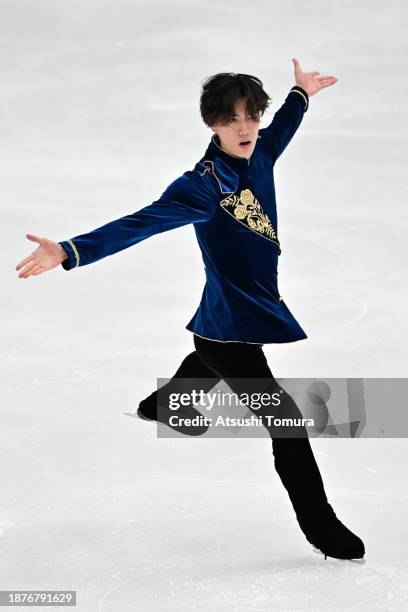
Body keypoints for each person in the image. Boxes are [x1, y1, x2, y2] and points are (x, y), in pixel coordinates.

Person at [15, 58, 365, 561]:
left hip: (238, 315)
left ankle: (160, 406)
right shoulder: (199, 186)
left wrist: (300, 93)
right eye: (232, 119)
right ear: (212, 124)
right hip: (230, 331)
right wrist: (69, 249)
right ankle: (322, 526)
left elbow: (284, 123)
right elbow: (139, 223)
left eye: (251, 117)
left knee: (208, 354)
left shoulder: (262, 150)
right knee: (286, 423)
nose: (245, 128)